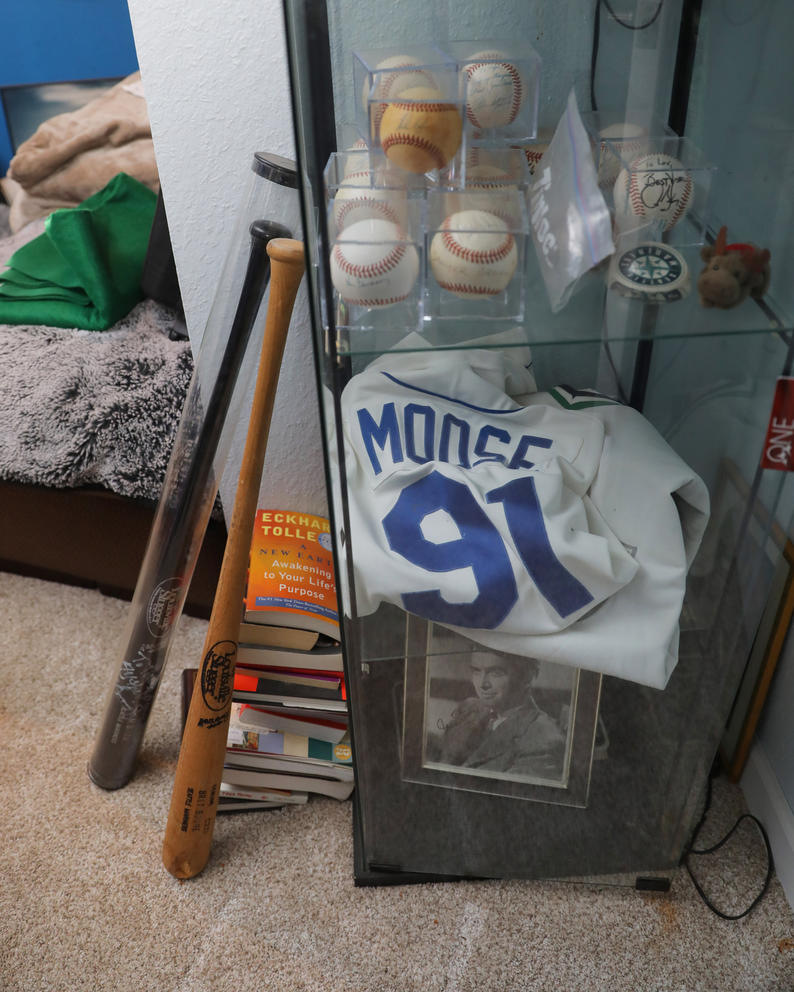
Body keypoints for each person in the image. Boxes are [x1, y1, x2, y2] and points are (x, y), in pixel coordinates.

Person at [434, 652, 566, 781]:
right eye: (476, 671)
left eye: (496, 673)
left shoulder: (543, 740)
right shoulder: (470, 709)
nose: (482, 685)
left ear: (527, 677)